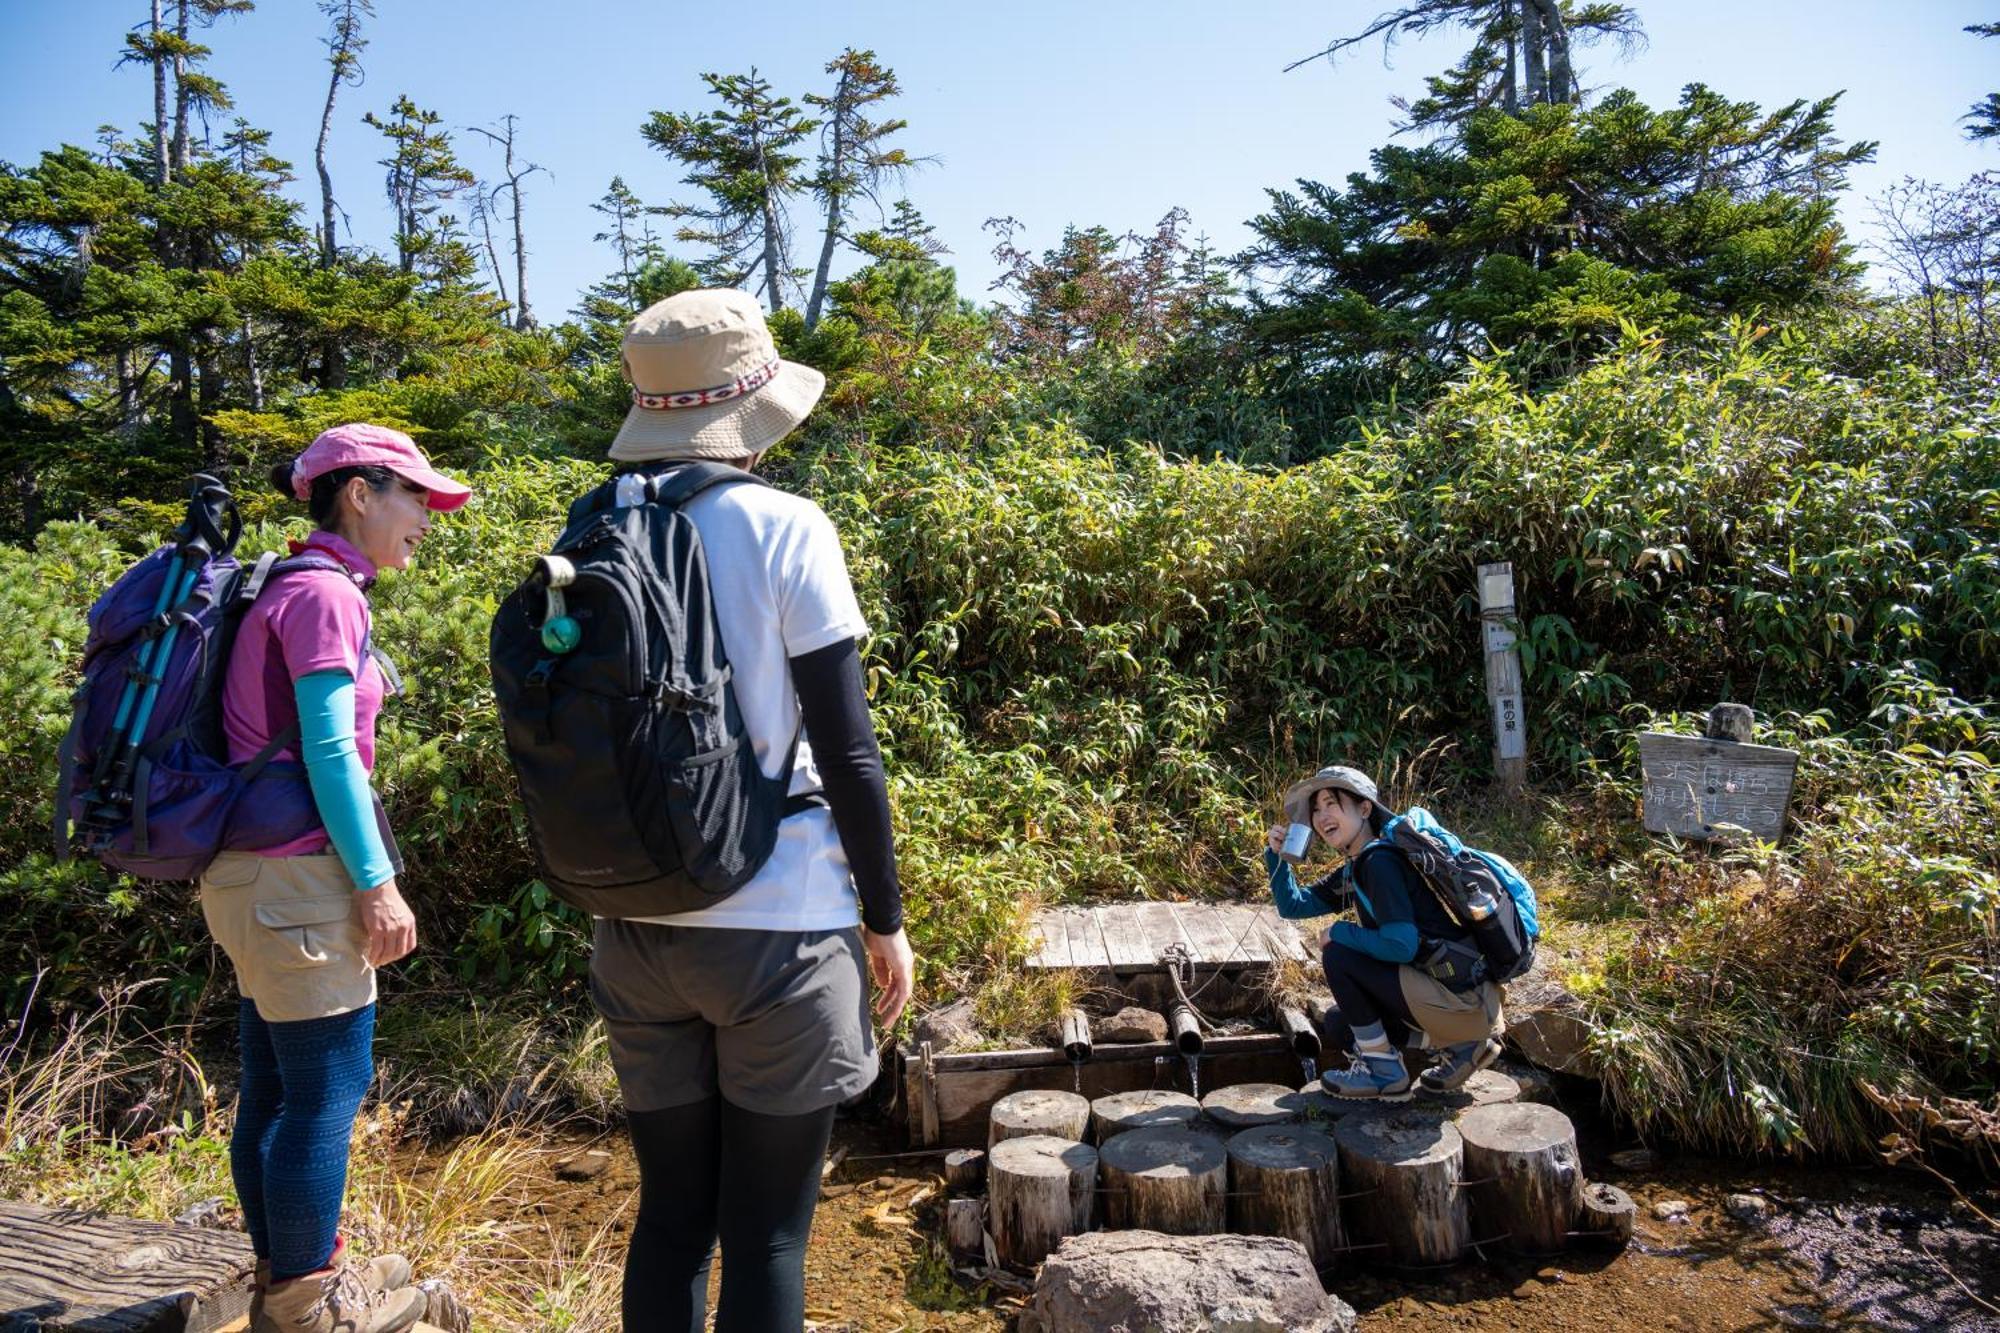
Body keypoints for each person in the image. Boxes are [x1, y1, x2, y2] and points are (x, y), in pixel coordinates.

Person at [583, 287, 915, 1333]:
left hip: (634, 929)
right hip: (778, 926)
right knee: (767, 1231)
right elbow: (849, 754)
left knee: (672, 1217)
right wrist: (885, 919)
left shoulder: (590, 525)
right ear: (750, 413)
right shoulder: (783, 526)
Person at [201, 423, 470, 1333]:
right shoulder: (324, 595)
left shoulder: (286, 583)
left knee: (276, 1092)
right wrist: (377, 879)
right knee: (323, 1095)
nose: (428, 518)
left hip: (249, 877)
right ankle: (305, 1305)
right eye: (416, 498)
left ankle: (288, 1271)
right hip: (300, 884)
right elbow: (328, 749)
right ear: (358, 493)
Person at [1263, 765, 1503, 1098]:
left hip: (1462, 1000)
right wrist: (1277, 859)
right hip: (1458, 998)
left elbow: (1401, 945)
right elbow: (1295, 906)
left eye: (1332, 803)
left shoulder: (1380, 864)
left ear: (1365, 808)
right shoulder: (1358, 866)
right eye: (1316, 809)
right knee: (1340, 1024)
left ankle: (1385, 1072)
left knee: (1339, 954)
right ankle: (1464, 1046)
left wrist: (1340, 932)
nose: (1321, 816)